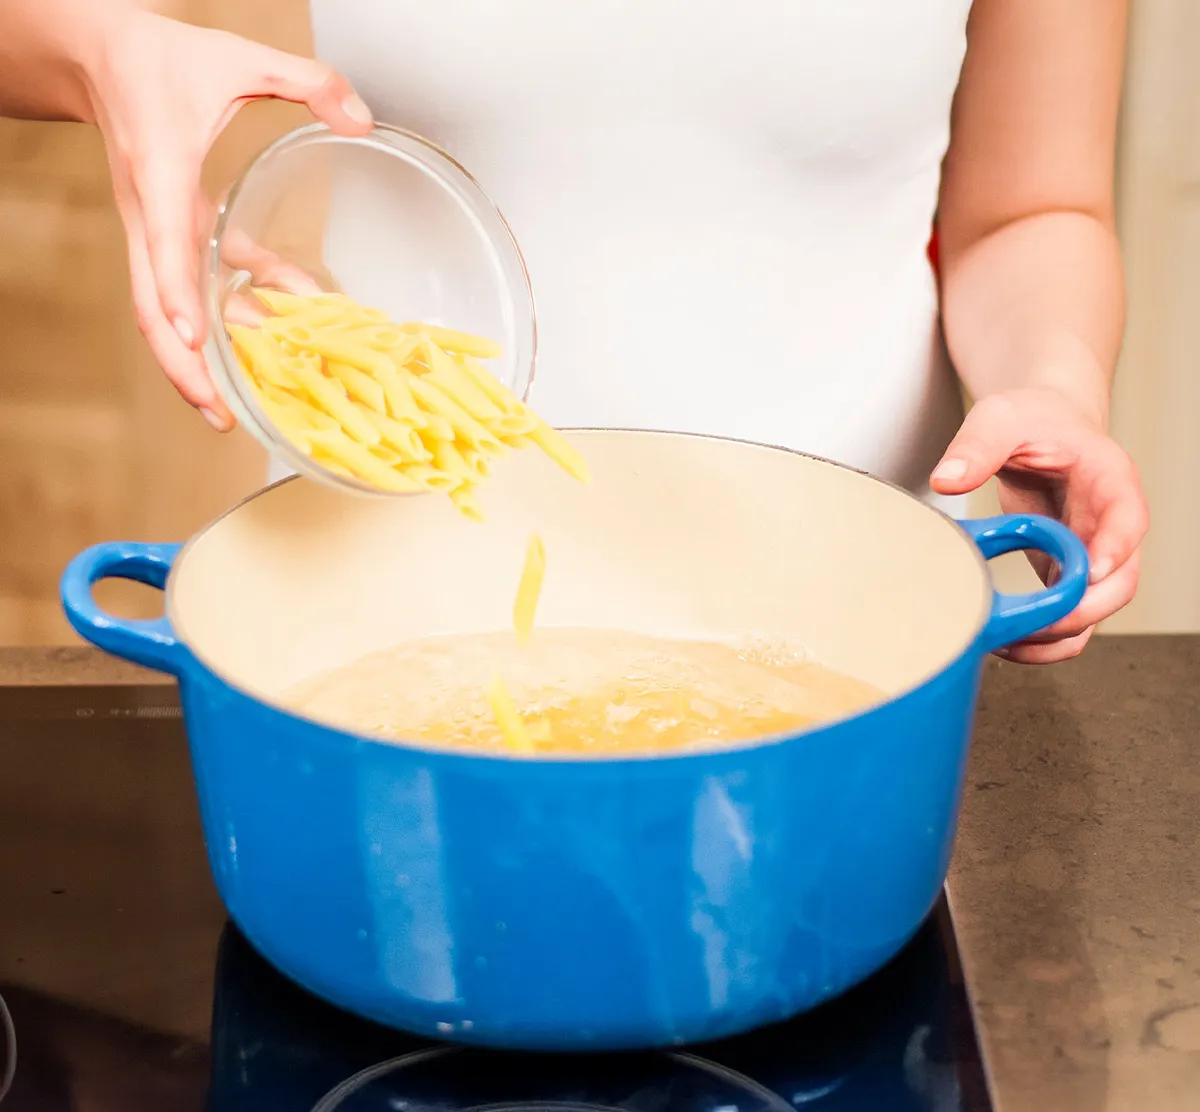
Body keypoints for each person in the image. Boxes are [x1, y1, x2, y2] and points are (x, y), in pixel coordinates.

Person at [0, 0, 1147, 664]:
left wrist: (1049, 386)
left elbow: (1027, 211)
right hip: (378, 623)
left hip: (851, 643)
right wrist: (97, 51)